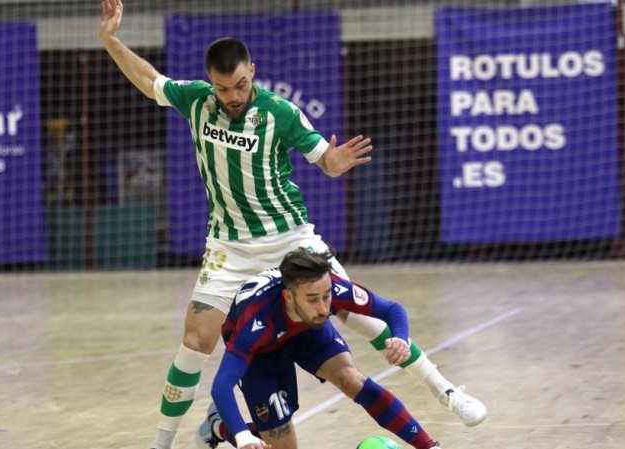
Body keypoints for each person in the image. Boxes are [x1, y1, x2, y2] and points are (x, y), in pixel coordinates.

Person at [98, 1, 486, 448]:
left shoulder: (280, 113)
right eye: (225, 88)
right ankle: (161, 444)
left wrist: (335, 163)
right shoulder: (196, 102)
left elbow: (325, 158)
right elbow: (150, 81)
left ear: (253, 73)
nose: (234, 95)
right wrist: (110, 39)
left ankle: (448, 392)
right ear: (212, 84)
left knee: (354, 313)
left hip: (290, 238)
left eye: (242, 84)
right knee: (195, 339)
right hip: (229, 245)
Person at [202, 248, 441, 449]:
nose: (324, 307)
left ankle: (430, 446)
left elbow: (393, 309)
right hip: (262, 354)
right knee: (279, 443)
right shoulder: (255, 321)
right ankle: (220, 425)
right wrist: (242, 436)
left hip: (308, 331)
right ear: (288, 297)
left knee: (351, 378)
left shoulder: (328, 291)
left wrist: (400, 337)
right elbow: (221, 386)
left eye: (326, 296)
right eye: (313, 299)